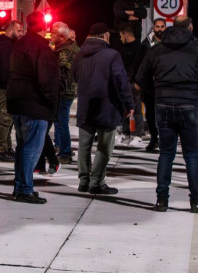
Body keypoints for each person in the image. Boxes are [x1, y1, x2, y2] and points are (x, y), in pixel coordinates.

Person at [136, 17, 198, 214]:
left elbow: (140, 79)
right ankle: (195, 202)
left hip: (163, 104)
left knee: (166, 154)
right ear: (189, 30)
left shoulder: (156, 50)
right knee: (192, 155)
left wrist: (157, 93)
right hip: (190, 104)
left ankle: (161, 200)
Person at [73, 22, 134, 195]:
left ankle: (83, 181)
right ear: (105, 36)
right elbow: (121, 81)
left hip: (86, 105)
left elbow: (75, 76)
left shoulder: (80, 54)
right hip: (107, 106)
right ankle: (97, 182)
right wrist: (128, 104)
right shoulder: (112, 55)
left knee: (84, 145)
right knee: (104, 146)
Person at [6, 11, 60, 204]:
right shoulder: (41, 47)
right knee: (31, 149)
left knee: (22, 147)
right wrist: (51, 103)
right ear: (43, 25)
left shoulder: (19, 44)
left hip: (17, 102)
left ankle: (21, 186)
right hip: (34, 104)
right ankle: (24, 189)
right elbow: (47, 80)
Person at [0, 20, 22, 162]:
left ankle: (7, 148)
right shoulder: (6, 45)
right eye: (19, 31)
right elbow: (6, 70)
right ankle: (1, 150)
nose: (21, 33)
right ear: (10, 30)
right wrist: (11, 87)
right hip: (1, 87)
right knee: (5, 118)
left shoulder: (7, 44)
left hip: (2, 86)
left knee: (8, 118)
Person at [51, 22, 79, 162]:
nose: (51, 35)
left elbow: (60, 72)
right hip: (70, 89)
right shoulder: (72, 48)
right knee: (61, 121)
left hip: (64, 90)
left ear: (61, 37)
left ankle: (65, 152)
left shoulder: (63, 51)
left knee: (61, 121)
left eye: (53, 33)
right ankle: (61, 147)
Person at [140, 18, 167, 152]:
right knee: (150, 114)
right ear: (153, 28)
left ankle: (163, 139)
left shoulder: (170, 43)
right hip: (150, 86)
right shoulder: (146, 45)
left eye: (162, 26)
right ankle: (153, 139)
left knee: (164, 114)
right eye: (158, 26)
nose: (160, 29)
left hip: (165, 85)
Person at [114, 25, 146, 138]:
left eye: (121, 35)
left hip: (134, 83)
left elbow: (143, 67)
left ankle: (137, 134)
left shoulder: (140, 48)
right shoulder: (122, 48)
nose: (120, 38)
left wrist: (138, 83)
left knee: (136, 109)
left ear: (126, 35)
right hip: (124, 82)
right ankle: (125, 132)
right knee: (124, 107)